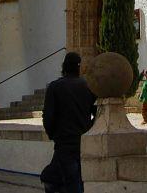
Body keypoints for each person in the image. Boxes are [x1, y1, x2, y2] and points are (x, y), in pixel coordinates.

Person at [41, 52, 96, 193]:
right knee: (73, 178)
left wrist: (53, 134)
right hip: (81, 140)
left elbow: (48, 117)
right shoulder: (88, 87)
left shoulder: (55, 87)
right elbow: (96, 112)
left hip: (63, 141)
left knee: (69, 181)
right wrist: (88, 128)